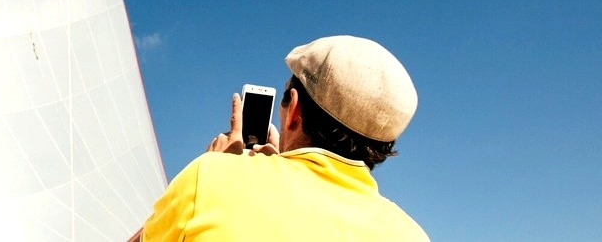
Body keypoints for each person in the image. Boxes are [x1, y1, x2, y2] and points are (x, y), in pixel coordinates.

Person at [131, 35, 428, 241]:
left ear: (294, 109)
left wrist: (218, 169)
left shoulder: (210, 177)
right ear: (384, 144)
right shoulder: (414, 235)